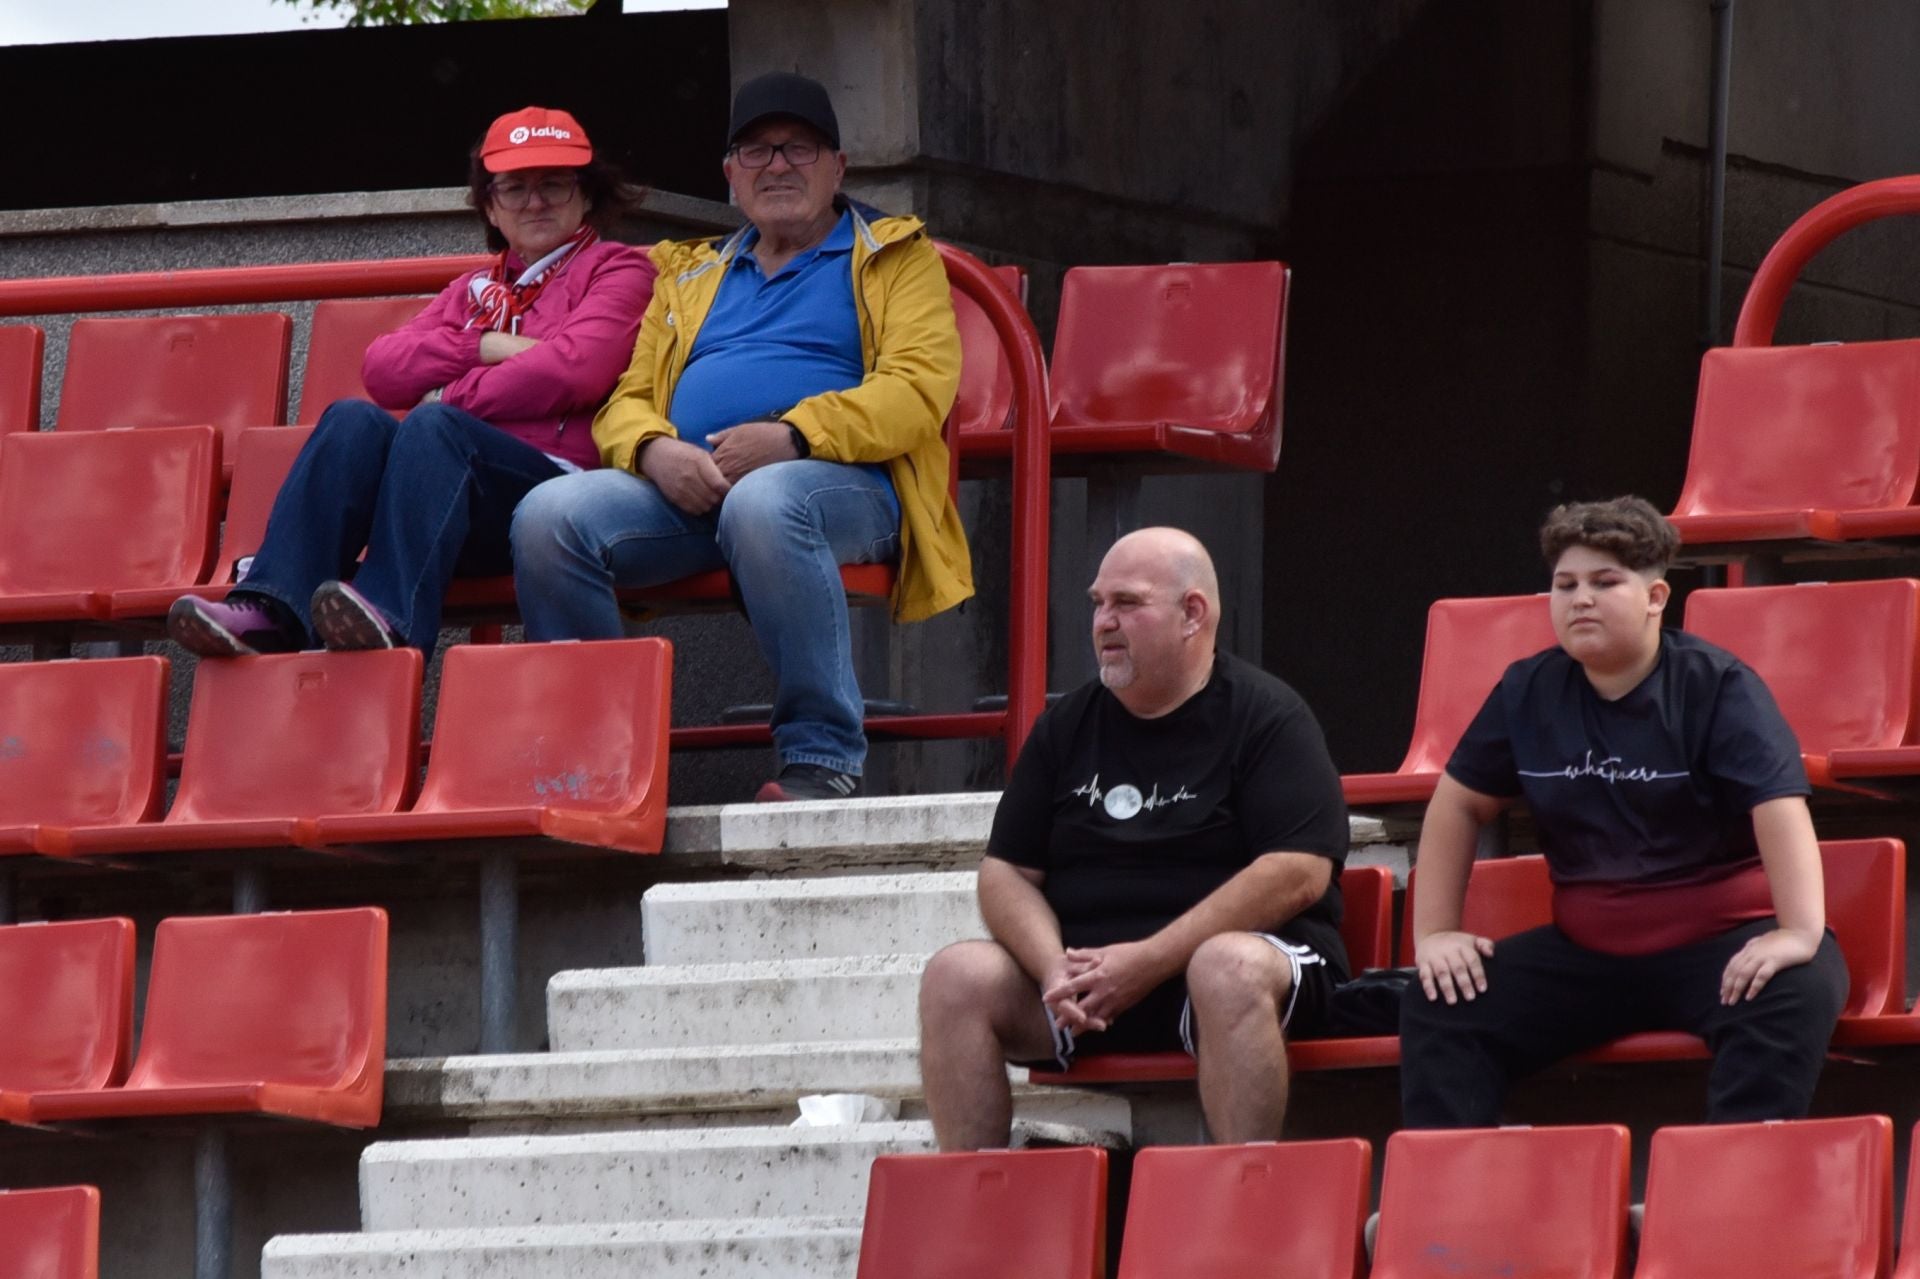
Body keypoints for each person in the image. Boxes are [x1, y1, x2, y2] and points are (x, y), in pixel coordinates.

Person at [510, 72, 972, 802]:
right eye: (755, 153)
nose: (778, 166)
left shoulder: (896, 254)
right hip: (689, 490)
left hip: (844, 484)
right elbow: (625, 398)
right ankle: (596, 768)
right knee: (549, 516)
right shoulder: (688, 272)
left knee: (765, 501)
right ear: (729, 176)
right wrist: (654, 451)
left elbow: (918, 390)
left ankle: (822, 758)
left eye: (798, 148)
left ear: (838, 167)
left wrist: (792, 434)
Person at [1399, 496, 1848, 1127]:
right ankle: (1450, 1199)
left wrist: (1799, 931)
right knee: (1442, 999)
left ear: (1656, 597)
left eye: (1604, 582)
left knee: (1796, 989)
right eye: (1565, 585)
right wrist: (1435, 935)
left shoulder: (1717, 685)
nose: (1580, 598)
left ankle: (1718, 1203)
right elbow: (1457, 803)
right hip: (1588, 955)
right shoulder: (1528, 689)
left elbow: (1779, 806)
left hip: (1718, 945)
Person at [916, 527, 1351, 1149]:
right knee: (956, 976)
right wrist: (1052, 971)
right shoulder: (1066, 724)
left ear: (1191, 614)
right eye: (1097, 604)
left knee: (1225, 967)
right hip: (1092, 987)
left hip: (1230, 973)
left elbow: (1299, 870)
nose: (1103, 622)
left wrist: (1147, 962)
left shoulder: (1268, 716)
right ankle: (974, 1207)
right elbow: (1005, 872)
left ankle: (1247, 1199)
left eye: (1126, 603)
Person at [167, 106, 654, 657]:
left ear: (586, 196)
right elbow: (383, 369)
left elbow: (574, 370)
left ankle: (390, 617)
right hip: (444, 503)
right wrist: (483, 346)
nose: (534, 202)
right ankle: (271, 608)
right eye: (514, 188)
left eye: (554, 186)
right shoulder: (472, 289)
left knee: (435, 424)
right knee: (352, 420)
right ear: (491, 206)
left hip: (549, 504)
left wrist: (450, 392)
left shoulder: (620, 270)